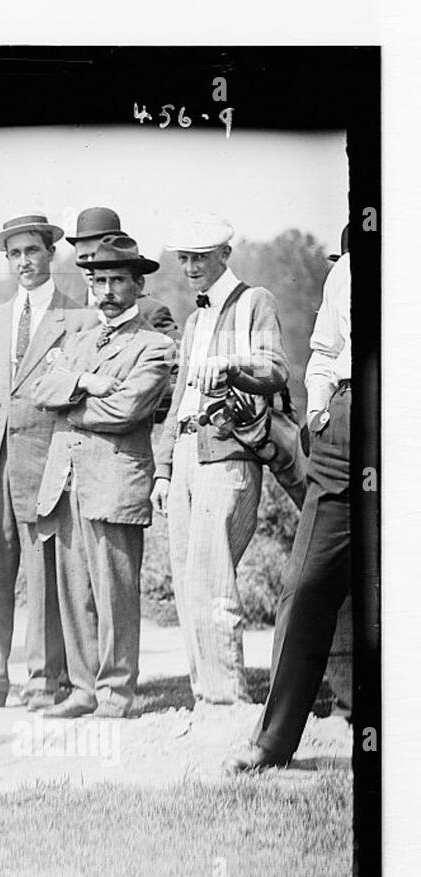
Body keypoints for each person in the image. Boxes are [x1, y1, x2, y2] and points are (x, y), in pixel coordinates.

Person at [0, 213, 92, 712]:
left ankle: (43, 679)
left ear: (52, 253)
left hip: (47, 462)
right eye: (15, 254)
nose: (24, 262)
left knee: (44, 573)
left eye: (33, 251)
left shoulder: (79, 318)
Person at [31, 236, 174, 718]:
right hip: (66, 478)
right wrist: (86, 382)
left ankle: (116, 692)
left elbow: (126, 410)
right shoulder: (79, 339)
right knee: (73, 591)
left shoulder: (155, 345)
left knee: (114, 592)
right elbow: (38, 387)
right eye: (98, 281)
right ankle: (83, 689)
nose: (107, 290)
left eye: (117, 280)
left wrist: (68, 403)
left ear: (138, 284)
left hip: (114, 479)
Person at [151, 213, 289, 708]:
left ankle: (229, 702)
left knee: (211, 581)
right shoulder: (193, 319)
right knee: (189, 584)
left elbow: (275, 368)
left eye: (200, 257)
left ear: (224, 255)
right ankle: (206, 699)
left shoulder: (255, 301)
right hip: (187, 452)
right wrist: (164, 470)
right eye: (184, 258)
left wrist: (230, 365)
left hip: (228, 453)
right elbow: (179, 399)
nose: (190, 266)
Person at [225, 248, 352, 772]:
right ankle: (274, 741)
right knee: (305, 584)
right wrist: (321, 412)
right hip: (348, 424)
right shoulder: (349, 269)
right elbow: (325, 351)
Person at [66, 207, 178, 336]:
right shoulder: (70, 309)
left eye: (97, 257)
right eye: (83, 258)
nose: (90, 267)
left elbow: (170, 352)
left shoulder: (151, 311)